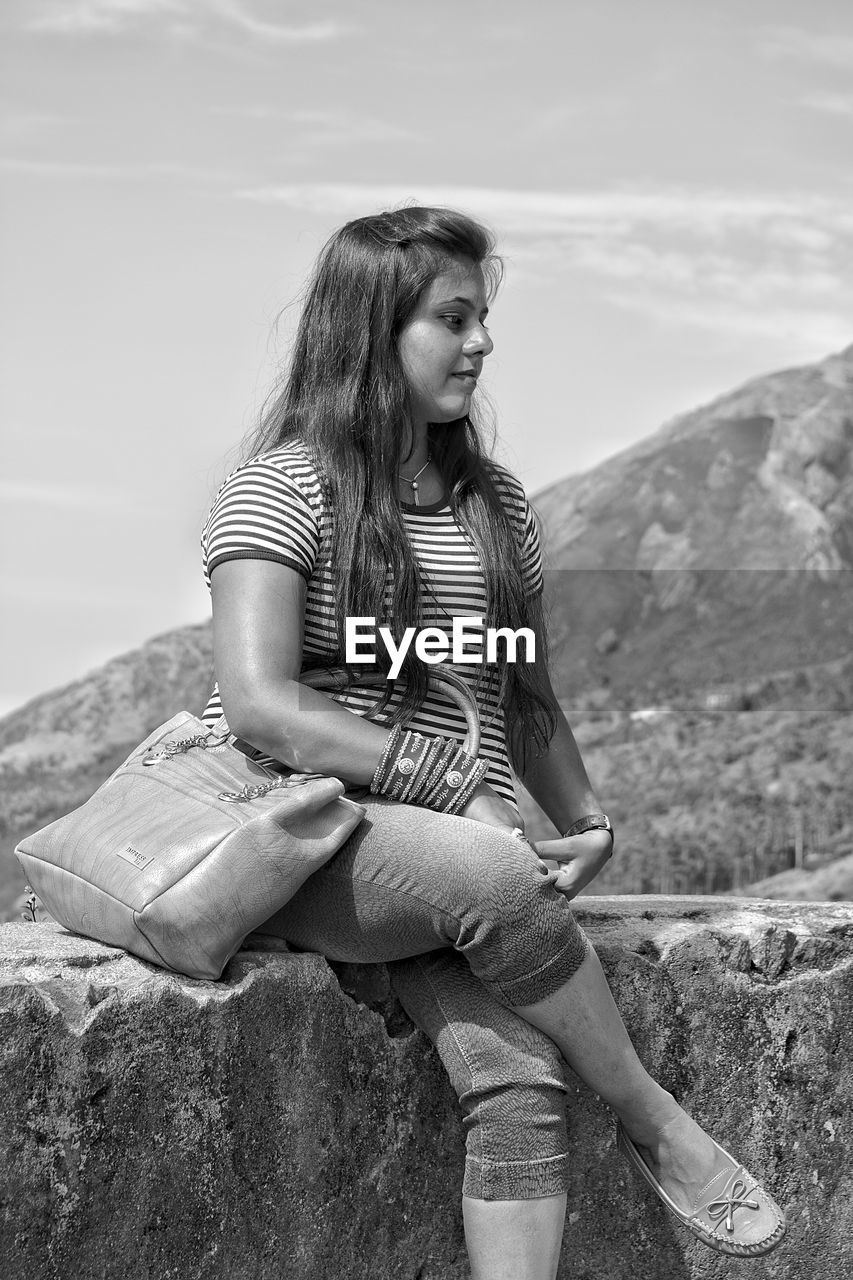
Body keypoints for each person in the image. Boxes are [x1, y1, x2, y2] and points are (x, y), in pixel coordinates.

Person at [200, 206, 785, 1278]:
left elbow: (523, 687)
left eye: (485, 318)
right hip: (309, 840)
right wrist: (453, 784)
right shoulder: (281, 488)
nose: (481, 343)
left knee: (515, 1074)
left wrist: (589, 819)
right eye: (453, 318)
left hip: (462, 859)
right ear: (372, 333)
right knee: (492, 872)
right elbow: (260, 706)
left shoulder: (494, 502)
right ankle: (661, 1123)